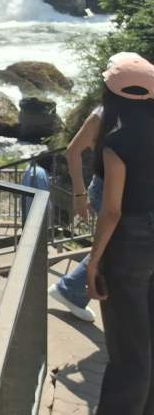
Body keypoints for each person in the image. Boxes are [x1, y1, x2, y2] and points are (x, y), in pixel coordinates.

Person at [85, 53, 154, 414]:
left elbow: (111, 211)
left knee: (128, 348)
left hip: (129, 245)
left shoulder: (118, 143)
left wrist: (93, 263)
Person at [48, 56, 133, 323]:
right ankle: (71, 290)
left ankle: (72, 290)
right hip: (105, 189)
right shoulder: (102, 114)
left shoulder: (136, 111)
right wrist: (79, 194)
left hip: (122, 190)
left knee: (112, 244)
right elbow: (73, 151)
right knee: (112, 244)